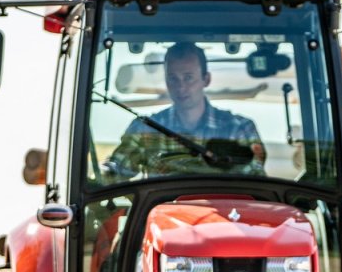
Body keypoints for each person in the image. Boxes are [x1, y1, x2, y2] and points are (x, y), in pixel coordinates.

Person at [103, 41, 265, 179]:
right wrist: (104, 173)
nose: (180, 87)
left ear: (206, 79)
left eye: (188, 78)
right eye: (173, 78)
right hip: (162, 212)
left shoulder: (239, 128)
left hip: (226, 215)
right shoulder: (144, 129)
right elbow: (116, 171)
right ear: (166, 80)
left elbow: (255, 181)